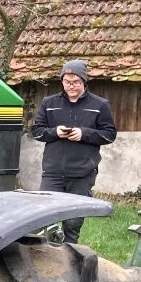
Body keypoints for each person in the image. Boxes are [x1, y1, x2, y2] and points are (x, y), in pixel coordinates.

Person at [31, 59, 117, 243]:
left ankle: (71, 254)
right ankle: (46, 253)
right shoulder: (49, 103)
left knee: (73, 222)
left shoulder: (99, 105)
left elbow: (109, 134)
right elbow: (37, 131)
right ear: (62, 81)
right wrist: (55, 132)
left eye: (76, 82)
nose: (71, 85)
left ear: (84, 82)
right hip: (52, 172)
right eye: (67, 81)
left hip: (82, 172)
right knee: (44, 217)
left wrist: (84, 134)